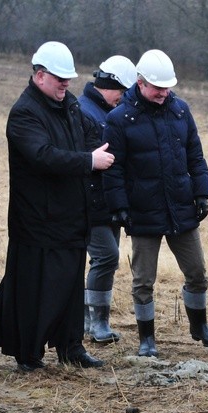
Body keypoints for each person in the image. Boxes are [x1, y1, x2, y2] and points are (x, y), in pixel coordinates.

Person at [0, 41, 114, 371]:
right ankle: (28, 355)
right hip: (37, 221)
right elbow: (42, 156)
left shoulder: (68, 105)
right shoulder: (25, 113)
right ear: (40, 76)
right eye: (59, 78)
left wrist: (100, 150)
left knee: (70, 285)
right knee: (35, 288)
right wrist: (89, 161)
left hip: (71, 216)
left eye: (68, 79)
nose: (66, 84)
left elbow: (86, 137)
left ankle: (71, 347)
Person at [102, 49, 208, 357]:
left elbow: (195, 155)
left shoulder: (181, 110)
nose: (163, 93)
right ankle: (147, 340)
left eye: (167, 87)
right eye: (157, 87)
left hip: (181, 206)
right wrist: (120, 206)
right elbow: (112, 168)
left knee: (197, 273)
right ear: (140, 83)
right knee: (143, 280)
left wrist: (201, 193)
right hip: (142, 210)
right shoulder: (119, 119)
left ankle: (200, 327)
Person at [79, 55, 137, 344]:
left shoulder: (102, 110)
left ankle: (90, 321)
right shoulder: (85, 112)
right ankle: (94, 321)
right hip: (92, 203)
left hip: (109, 201)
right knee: (106, 257)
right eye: (122, 91)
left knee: (104, 260)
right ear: (109, 84)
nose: (124, 98)